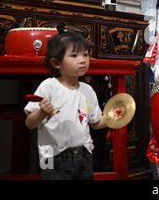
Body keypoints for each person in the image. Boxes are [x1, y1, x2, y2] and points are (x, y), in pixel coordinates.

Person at [24, 24, 108, 180]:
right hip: (51, 156)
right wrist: (42, 112)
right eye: (74, 56)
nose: (83, 60)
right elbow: (29, 123)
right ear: (56, 63)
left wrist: (115, 117)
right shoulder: (48, 86)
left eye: (85, 54)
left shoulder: (87, 90)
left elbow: (96, 122)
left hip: (84, 154)